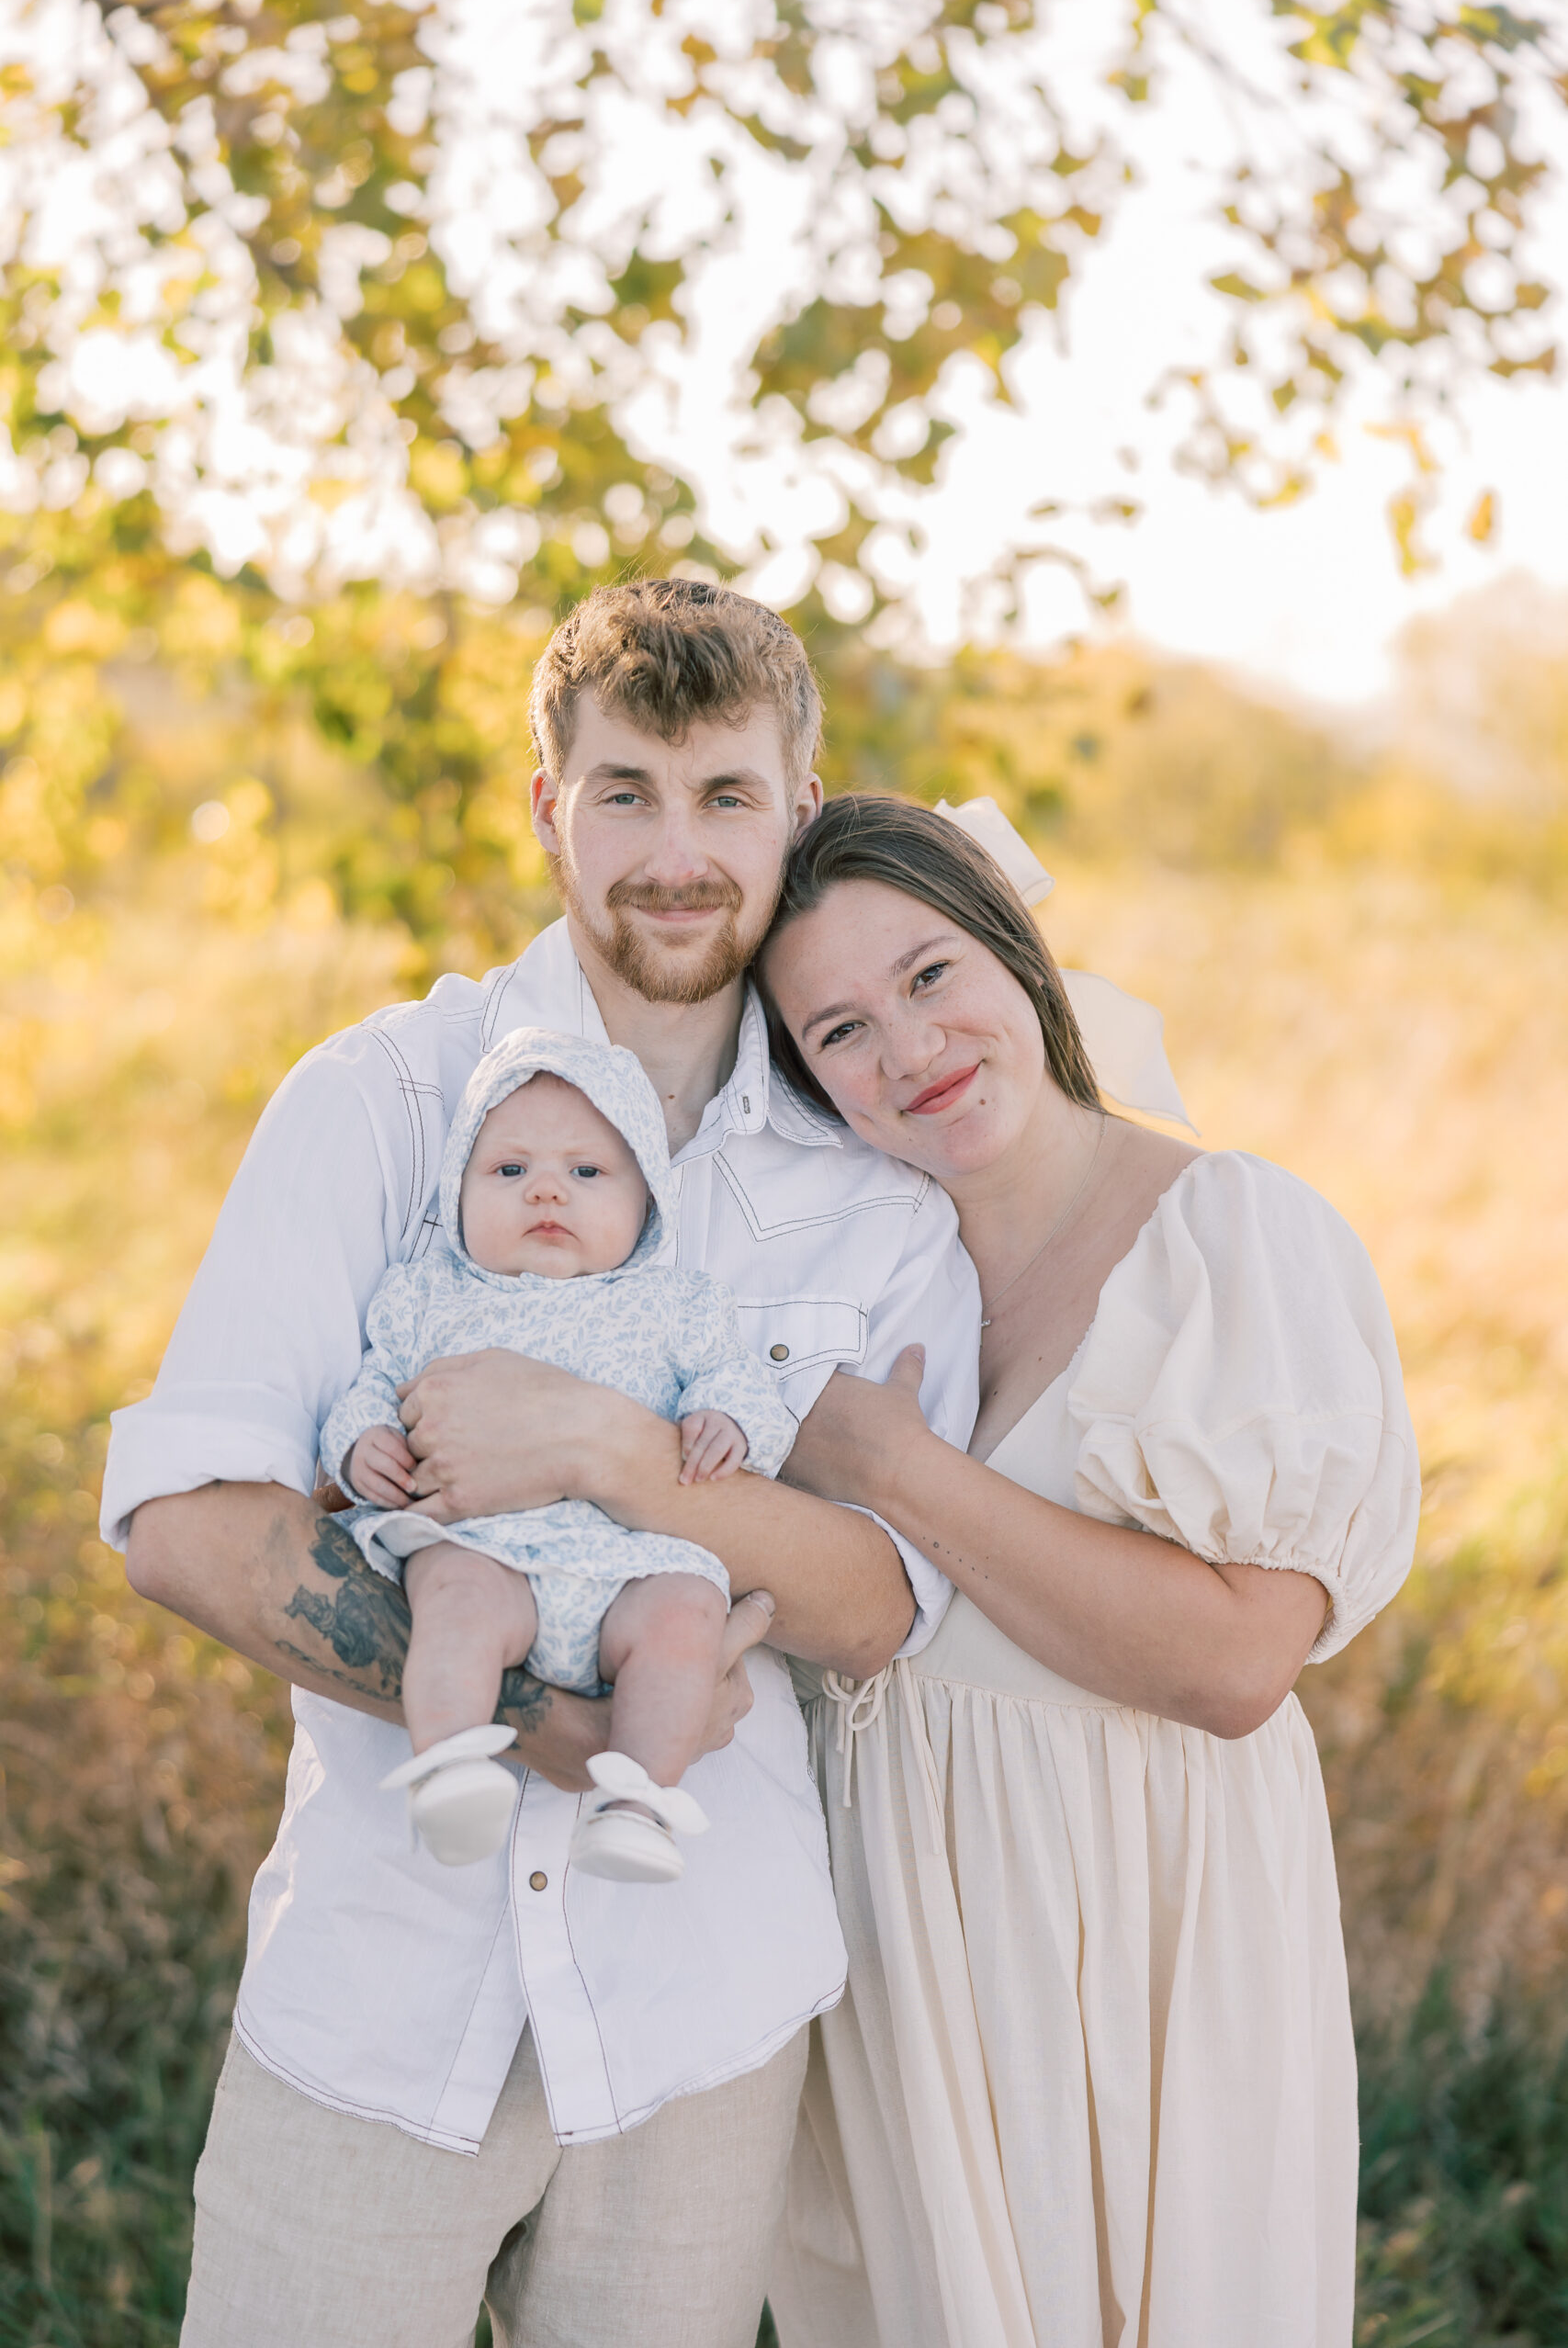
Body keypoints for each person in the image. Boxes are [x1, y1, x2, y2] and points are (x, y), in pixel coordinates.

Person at [101, 582, 980, 2348]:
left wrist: (611, 1454)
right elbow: (193, 1528)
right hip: (382, 1983)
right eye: (625, 791)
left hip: (703, 2003)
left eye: (725, 795)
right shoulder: (383, 1102)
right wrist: (541, 1730)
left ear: (798, 809)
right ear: (545, 806)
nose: (675, 849)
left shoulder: (871, 1176)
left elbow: (886, 1605)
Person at [754, 794, 1421, 2348]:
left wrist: (898, 1470)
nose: (909, 1050)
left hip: (1139, 1922)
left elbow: (1234, 1665)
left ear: (1015, 946)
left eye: (928, 976)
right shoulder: (844, 1275)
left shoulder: (1227, 1238)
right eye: (840, 1030)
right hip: (902, 1944)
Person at [321, 1024, 795, 1879]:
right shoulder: (427, 1295)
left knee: (687, 1615)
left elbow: (740, 1381)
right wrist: (362, 1442)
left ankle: (636, 1804)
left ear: (646, 1202)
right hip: (485, 1545)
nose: (546, 1192)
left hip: (631, 1563)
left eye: (585, 1173)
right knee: (452, 1599)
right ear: (457, 1190)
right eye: (508, 1171)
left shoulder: (675, 1304)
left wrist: (732, 1418)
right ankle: (451, 1767)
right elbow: (373, 1380)